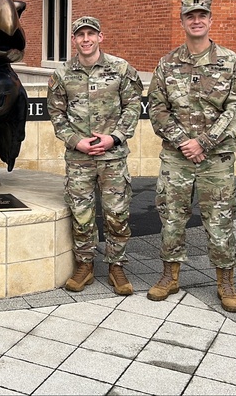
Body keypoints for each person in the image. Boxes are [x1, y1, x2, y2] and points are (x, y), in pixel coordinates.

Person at [146, 0, 236, 312]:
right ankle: (169, 276)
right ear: (182, 21)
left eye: (202, 15)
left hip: (215, 159)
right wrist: (182, 141)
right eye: (190, 16)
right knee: (172, 218)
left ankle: (225, 282)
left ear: (210, 20)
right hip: (177, 158)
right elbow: (157, 108)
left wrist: (203, 142)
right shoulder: (167, 64)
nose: (196, 20)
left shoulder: (230, 62)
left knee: (220, 221)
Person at [48, 16, 144, 295]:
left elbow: (133, 106)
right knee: (81, 214)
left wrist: (113, 137)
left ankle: (116, 267)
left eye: (91, 34)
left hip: (113, 157)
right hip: (79, 159)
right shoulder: (62, 75)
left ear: (101, 37)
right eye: (81, 35)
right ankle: (85, 266)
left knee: (116, 213)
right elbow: (56, 114)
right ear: (74, 40)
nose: (86, 39)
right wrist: (76, 141)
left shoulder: (121, 69)